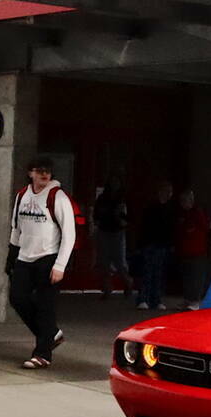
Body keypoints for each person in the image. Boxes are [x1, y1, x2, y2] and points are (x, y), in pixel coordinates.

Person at [7, 157, 74, 369]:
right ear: (30, 173)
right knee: (17, 298)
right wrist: (12, 255)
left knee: (46, 307)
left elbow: (69, 234)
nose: (44, 174)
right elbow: (16, 228)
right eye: (39, 170)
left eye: (48, 171)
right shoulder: (21, 196)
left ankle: (42, 353)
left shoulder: (58, 197)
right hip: (24, 256)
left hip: (49, 257)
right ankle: (51, 334)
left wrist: (60, 265)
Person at [133, 182, 176, 310]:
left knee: (159, 273)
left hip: (163, 245)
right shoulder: (151, 207)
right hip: (150, 243)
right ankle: (143, 298)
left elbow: (171, 229)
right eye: (166, 191)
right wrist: (141, 243)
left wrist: (171, 243)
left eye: (170, 192)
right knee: (147, 271)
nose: (168, 194)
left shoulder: (170, 209)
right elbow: (144, 227)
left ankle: (156, 299)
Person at [90, 176, 131, 299]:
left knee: (119, 261)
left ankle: (128, 283)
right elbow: (96, 213)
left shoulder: (122, 198)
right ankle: (107, 288)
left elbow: (126, 217)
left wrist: (121, 219)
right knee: (104, 261)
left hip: (117, 232)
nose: (114, 184)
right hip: (104, 231)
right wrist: (97, 221)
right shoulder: (102, 198)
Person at [175, 187, 211, 309]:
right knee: (186, 277)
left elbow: (207, 227)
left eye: (185, 200)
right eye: (182, 201)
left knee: (196, 277)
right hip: (185, 250)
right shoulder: (182, 214)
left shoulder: (199, 212)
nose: (183, 203)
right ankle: (187, 299)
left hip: (198, 250)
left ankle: (195, 301)